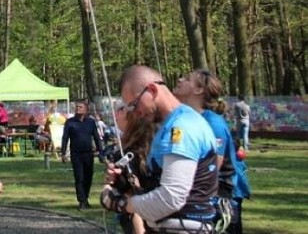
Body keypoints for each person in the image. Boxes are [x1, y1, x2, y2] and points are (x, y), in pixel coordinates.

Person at [101, 65, 219, 233]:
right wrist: (125, 185)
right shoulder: (167, 126)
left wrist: (122, 204)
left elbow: (171, 197)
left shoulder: (182, 126)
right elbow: (159, 185)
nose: (135, 112)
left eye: (134, 104)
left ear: (152, 90)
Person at [174, 70, 251, 234]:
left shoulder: (212, 123)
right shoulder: (181, 118)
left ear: (199, 90)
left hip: (218, 200)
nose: (180, 79)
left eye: (187, 79)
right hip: (195, 198)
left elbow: (213, 166)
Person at [103, 100, 157, 234]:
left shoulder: (129, 154)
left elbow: (133, 196)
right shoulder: (151, 144)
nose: (116, 115)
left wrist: (108, 187)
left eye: (121, 110)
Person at [61, 100, 104, 210]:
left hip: (88, 154)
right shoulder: (70, 122)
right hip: (76, 154)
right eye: (76, 107)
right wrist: (63, 153)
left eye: (80, 107)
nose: (78, 108)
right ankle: (82, 201)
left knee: (88, 177)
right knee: (79, 178)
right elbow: (65, 138)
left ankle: (86, 198)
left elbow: (96, 137)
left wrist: (101, 152)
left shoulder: (91, 122)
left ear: (86, 109)